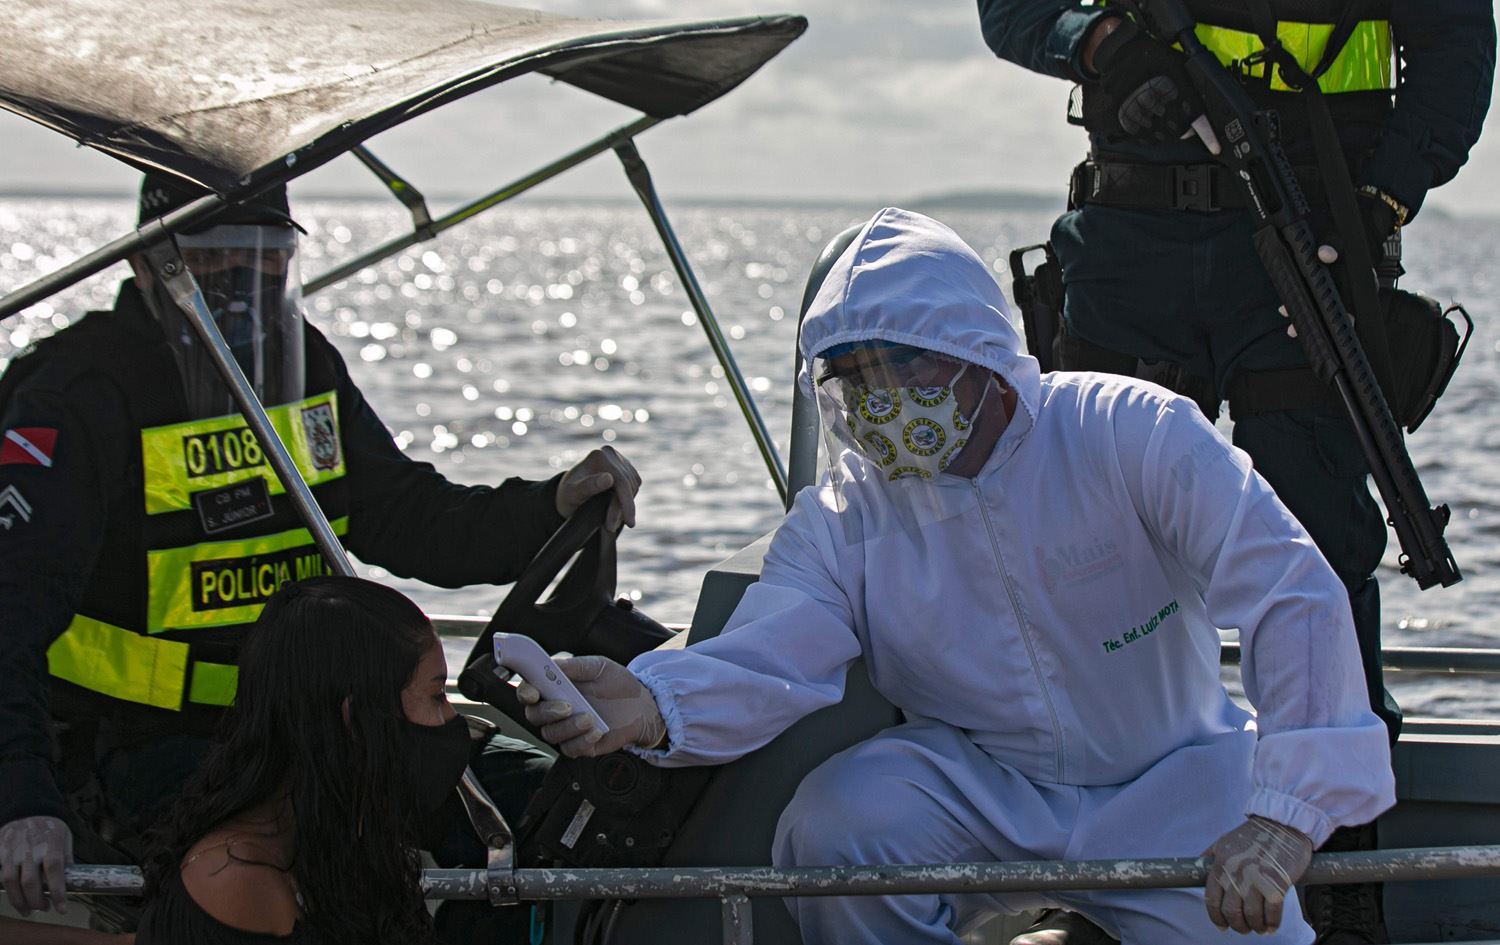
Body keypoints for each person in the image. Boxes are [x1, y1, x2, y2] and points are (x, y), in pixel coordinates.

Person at [516, 208, 1395, 945]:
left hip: (1174, 777)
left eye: (902, 364)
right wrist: (651, 701)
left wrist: (1282, 818)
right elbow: (770, 647)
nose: (879, 401)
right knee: (835, 826)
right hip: (985, 784)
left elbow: (1288, 586)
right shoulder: (846, 515)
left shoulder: (1128, 432)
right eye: (854, 379)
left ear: (976, 349)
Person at [0, 174, 641, 939]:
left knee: (545, 796)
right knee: (333, 857)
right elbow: (8, 616)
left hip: (315, 723)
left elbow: (409, 517)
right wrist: (24, 799)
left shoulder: (303, 362)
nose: (240, 278)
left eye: (265, 256)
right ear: (147, 263)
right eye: (210, 256)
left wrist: (551, 504)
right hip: (145, 743)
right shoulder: (79, 392)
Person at [976, 2, 1493, 941]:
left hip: (1312, 234)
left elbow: (1458, 31)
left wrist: (1386, 191)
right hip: (1132, 238)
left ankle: (1341, 890)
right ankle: (1094, 879)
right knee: (1091, 555)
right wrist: (1093, 41)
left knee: (1324, 564)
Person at [134, 576, 478, 944]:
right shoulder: (240, 879)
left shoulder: (339, 836)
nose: (449, 719)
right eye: (437, 695)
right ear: (358, 720)